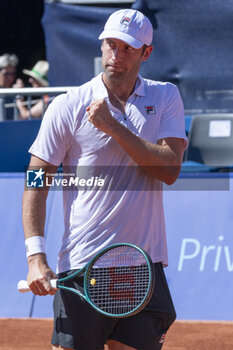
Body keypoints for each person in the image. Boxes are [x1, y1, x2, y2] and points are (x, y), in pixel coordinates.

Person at [22, 9, 188, 350]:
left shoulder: (166, 96)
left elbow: (170, 168)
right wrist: (35, 256)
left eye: (127, 47)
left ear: (146, 53)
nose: (116, 54)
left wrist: (113, 126)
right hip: (82, 264)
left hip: (142, 266)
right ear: (101, 46)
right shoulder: (67, 106)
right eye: (110, 44)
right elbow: (37, 178)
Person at [0, 53, 19, 120]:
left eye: (12, 74)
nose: (10, 78)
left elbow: (20, 118)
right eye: (6, 74)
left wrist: (19, 95)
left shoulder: (13, 94)